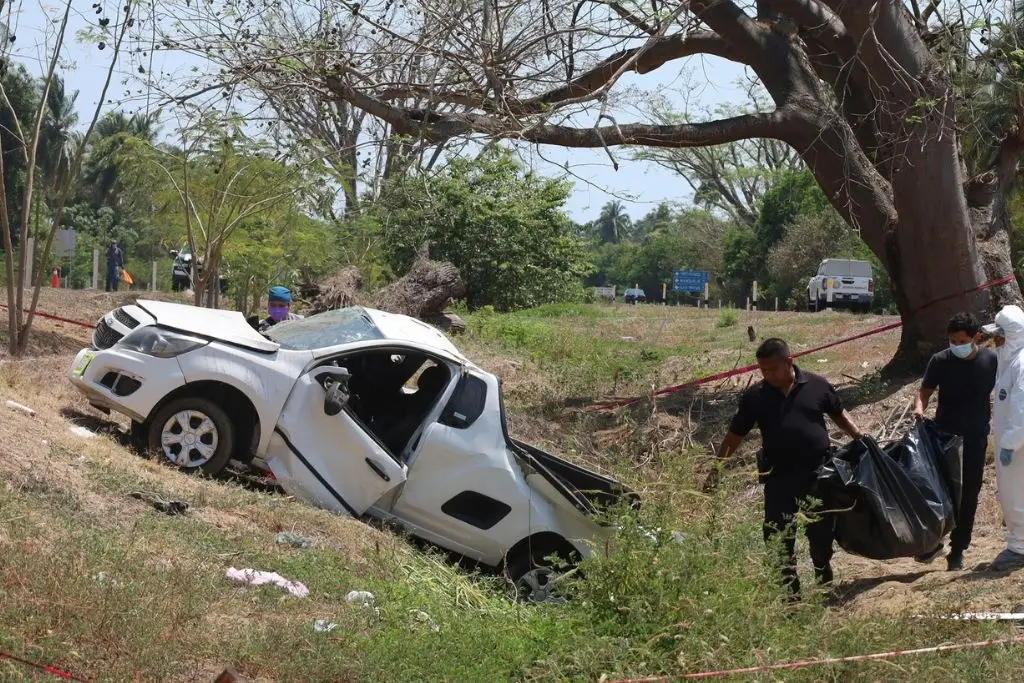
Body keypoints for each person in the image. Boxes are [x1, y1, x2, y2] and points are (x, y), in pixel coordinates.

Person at [714, 338, 865, 597]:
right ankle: (790, 595)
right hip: (778, 478)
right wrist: (716, 469)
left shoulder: (817, 385)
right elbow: (735, 435)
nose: (767, 374)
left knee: (820, 533)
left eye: (772, 368)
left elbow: (839, 414)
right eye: (762, 370)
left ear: (789, 361)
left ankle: (822, 572)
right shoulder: (755, 397)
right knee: (777, 536)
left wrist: (860, 439)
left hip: (817, 474)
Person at [912, 312, 997, 570]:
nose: (956, 346)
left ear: (976, 338)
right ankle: (933, 543)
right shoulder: (940, 361)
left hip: (975, 437)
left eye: (961, 341)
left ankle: (958, 549)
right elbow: (924, 392)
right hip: (944, 436)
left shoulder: (991, 360)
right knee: (939, 491)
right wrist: (919, 409)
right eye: (952, 341)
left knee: (969, 493)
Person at [979, 305, 1024, 571]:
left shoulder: (1021, 365)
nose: (996, 342)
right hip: (1014, 444)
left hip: (1017, 447)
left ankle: (1019, 549)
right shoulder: (1011, 361)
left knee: (1016, 496)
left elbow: (1022, 412)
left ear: (1014, 335)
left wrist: (1008, 444)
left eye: (1000, 336)